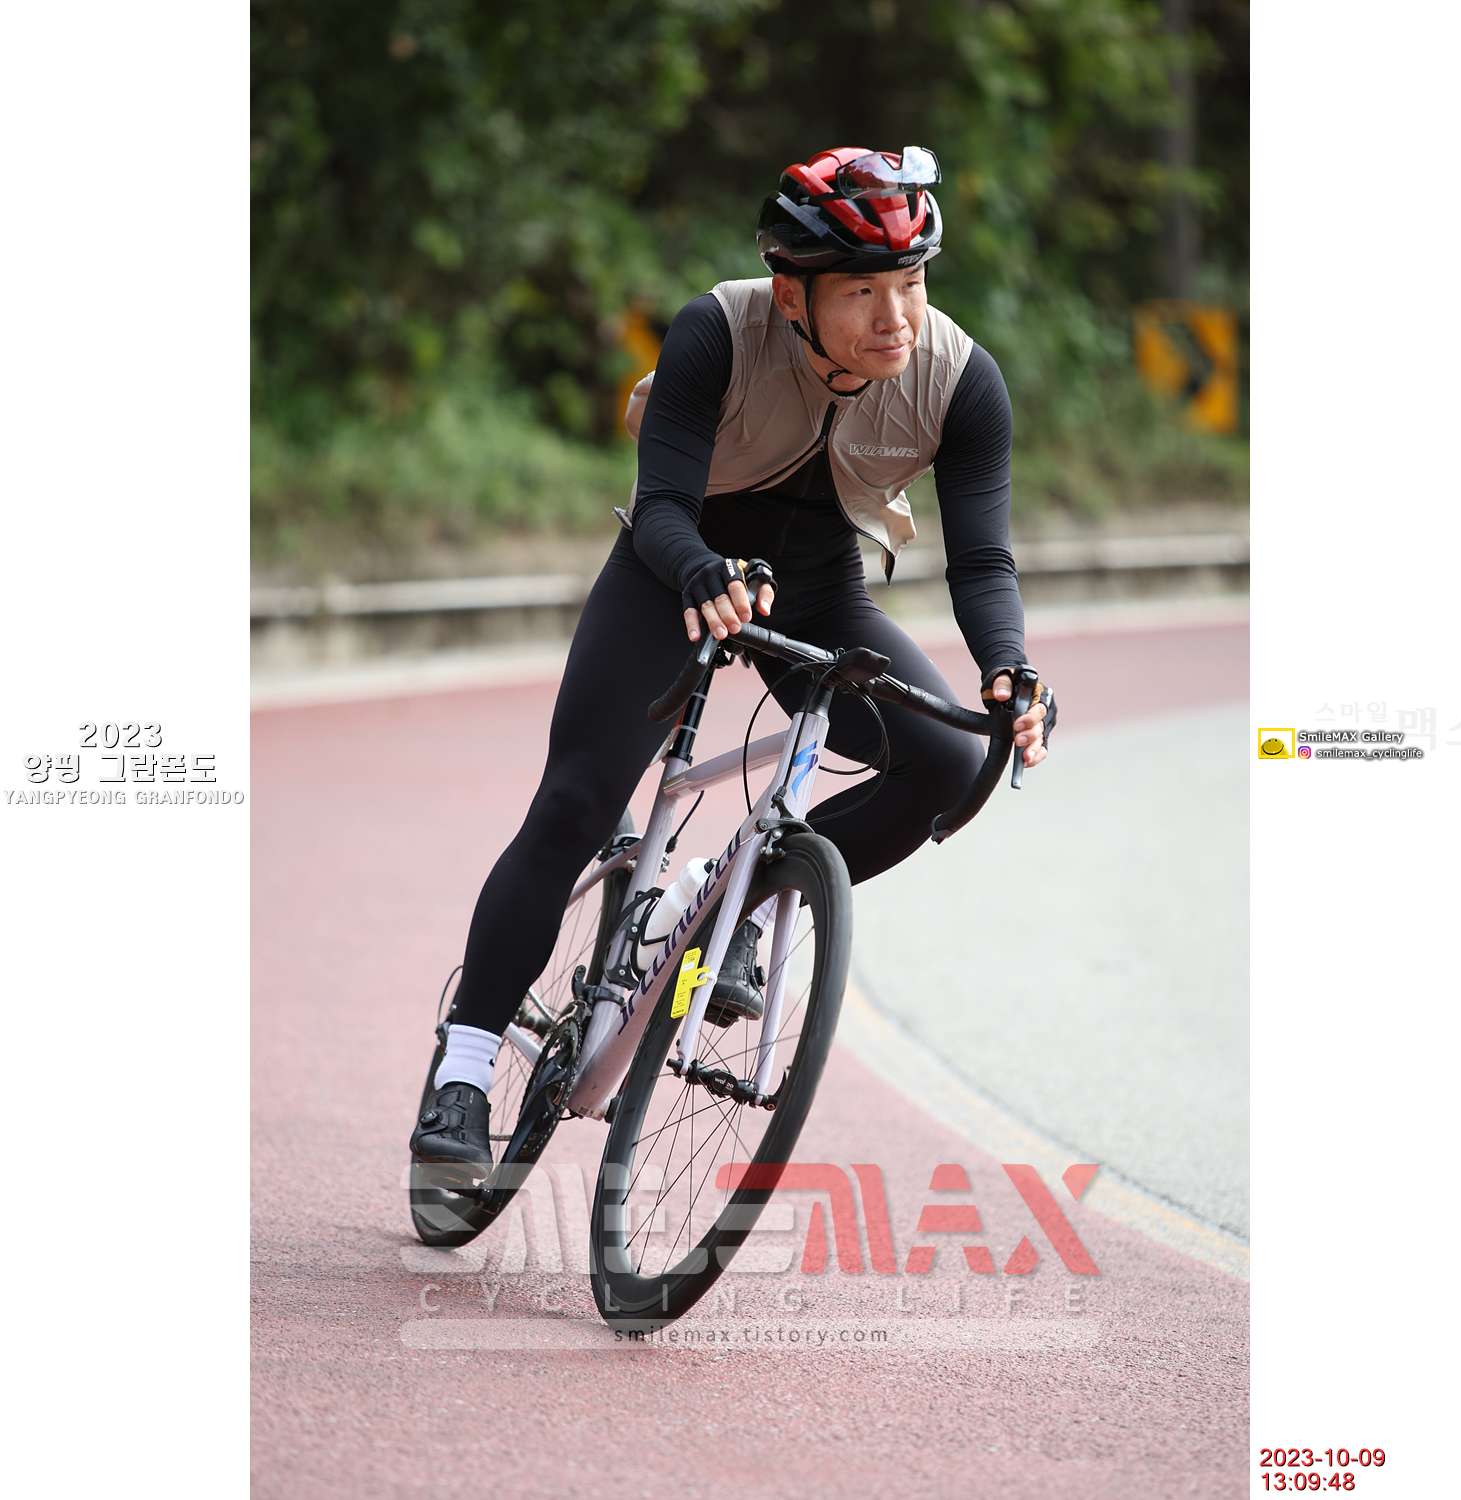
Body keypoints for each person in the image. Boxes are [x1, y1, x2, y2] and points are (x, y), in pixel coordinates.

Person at [410, 146, 1054, 1183]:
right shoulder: (718, 328)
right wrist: (702, 571)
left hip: (820, 587)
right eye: (862, 291)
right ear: (793, 294)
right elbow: (663, 504)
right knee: (575, 802)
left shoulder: (963, 379)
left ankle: (731, 898)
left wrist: (1009, 669)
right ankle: (464, 1069)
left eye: (911, 283)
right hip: (674, 571)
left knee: (944, 760)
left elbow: (982, 561)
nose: (896, 316)